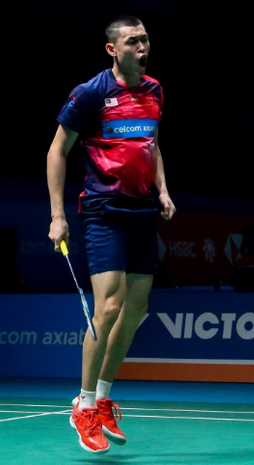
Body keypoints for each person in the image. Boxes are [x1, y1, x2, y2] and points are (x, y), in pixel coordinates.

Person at [46, 15, 176, 454]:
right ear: (112, 49)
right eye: (133, 41)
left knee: (136, 311)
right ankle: (82, 407)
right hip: (104, 209)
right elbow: (57, 151)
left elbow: (151, 144)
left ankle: (102, 398)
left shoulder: (155, 90)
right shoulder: (91, 94)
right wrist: (57, 215)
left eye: (145, 40)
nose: (143, 47)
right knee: (111, 305)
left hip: (142, 211)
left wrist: (162, 190)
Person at [0, 227, 27, 293]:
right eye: (14, 241)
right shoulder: (5, 267)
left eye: (16, 241)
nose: (17, 244)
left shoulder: (13, 265)